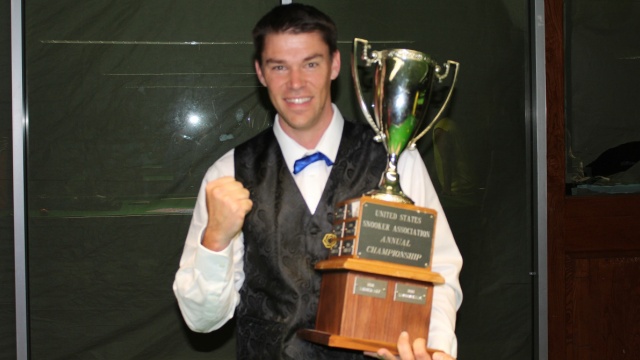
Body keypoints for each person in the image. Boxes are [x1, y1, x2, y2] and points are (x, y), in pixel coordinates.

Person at [173, 4, 462, 360]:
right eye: (279, 66)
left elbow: (440, 273)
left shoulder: (396, 158)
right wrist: (214, 240)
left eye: (311, 63)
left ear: (335, 65)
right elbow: (203, 321)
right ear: (261, 72)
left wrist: (431, 349)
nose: (296, 83)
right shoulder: (228, 173)